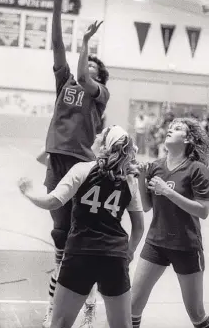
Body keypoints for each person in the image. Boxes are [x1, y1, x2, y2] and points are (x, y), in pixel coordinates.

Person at [18, 126, 145, 328]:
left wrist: (28, 192)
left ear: (104, 145)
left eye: (99, 136)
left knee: (59, 324)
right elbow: (139, 227)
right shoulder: (128, 179)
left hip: (80, 254)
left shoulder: (82, 169)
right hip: (114, 257)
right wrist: (129, 253)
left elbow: (52, 202)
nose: (93, 137)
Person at [42, 0, 110, 327]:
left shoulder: (97, 92)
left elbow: (84, 75)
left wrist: (84, 43)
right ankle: (57, 289)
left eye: (96, 68)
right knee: (59, 227)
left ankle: (87, 299)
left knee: (79, 233)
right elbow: (56, 46)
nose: (89, 68)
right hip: (57, 157)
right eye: (88, 61)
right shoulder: (63, 81)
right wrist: (56, 4)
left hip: (83, 164)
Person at [131, 118, 209, 328]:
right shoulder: (155, 167)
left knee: (196, 314)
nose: (170, 130)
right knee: (132, 306)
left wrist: (167, 191)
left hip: (186, 246)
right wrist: (141, 179)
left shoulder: (197, 169)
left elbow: (203, 211)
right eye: (170, 128)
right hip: (156, 243)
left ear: (187, 139)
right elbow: (148, 206)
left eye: (177, 129)